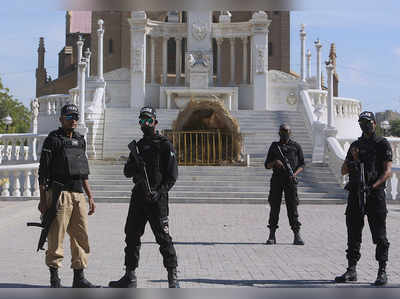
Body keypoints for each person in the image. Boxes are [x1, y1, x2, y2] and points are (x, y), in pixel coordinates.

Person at [109, 106, 179, 288]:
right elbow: (126, 172)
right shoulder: (138, 147)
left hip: (157, 200)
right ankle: (129, 276)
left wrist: (160, 192)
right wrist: (136, 168)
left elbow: (172, 176)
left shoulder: (165, 145)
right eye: (142, 121)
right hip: (138, 199)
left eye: (148, 121)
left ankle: (173, 278)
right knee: (131, 236)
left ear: (155, 122)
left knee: (163, 239)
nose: (145, 124)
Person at [38, 104, 98, 288]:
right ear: (61, 119)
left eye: (76, 117)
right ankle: (54, 278)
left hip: (78, 194)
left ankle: (79, 277)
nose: (74, 120)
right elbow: (42, 172)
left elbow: (83, 171)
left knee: (81, 236)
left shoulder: (80, 140)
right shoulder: (53, 140)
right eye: (69, 116)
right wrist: (42, 200)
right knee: (56, 237)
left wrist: (90, 196)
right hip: (59, 194)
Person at [334, 111, 392, 286]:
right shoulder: (355, 145)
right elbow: (343, 170)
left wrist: (373, 186)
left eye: (367, 122)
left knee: (380, 235)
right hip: (356, 194)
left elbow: (387, 171)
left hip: (375, 194)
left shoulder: (382, 144)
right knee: (353, 233)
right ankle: (351, 270)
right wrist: (354, 158)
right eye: (361, 122)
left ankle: (382, 271)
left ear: (374, 123)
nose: (364, 125)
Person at [264, 124, 305, 245]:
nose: (284, 133)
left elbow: (302, 164)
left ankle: (296, 235)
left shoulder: (296, 146)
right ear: (279, 132)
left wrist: (295, 174)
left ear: (290, 132)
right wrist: (274, 162)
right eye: (282, 131)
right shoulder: (274, 146)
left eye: (286, 131)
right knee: (274, 206)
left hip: (290, 180)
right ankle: (272, 235)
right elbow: (266, 165)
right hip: (277, 179)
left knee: (292, 207)